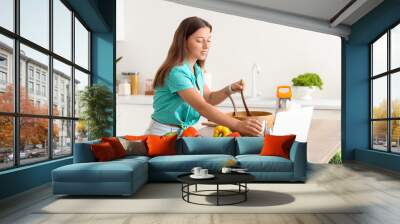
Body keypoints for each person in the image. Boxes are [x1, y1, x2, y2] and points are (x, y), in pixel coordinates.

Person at [145, 16, 262, 136]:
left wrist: (230, 89)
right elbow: (202, 107)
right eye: (200, 41)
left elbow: (209, 98)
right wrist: (238, 125)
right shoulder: (177, 72)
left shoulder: (196, 70)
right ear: (184, 41)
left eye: (209, 40)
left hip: (182, 132)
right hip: (162, 134)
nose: (206, 46)